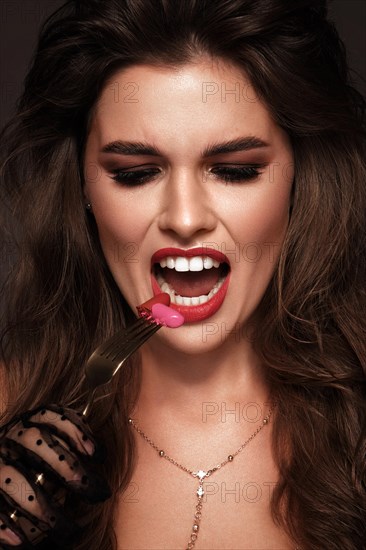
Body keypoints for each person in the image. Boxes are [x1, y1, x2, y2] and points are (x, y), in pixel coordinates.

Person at [0, 0, 365, 548]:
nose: (186, 218)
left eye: (236, 170)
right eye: (136, 173)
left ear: (300, 178)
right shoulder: (8, 407)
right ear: (82, 189)